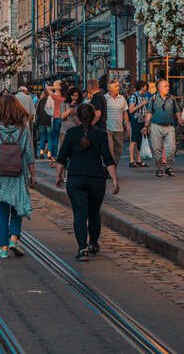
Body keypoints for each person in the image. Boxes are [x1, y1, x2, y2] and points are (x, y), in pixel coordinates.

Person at [55, 102, 119, 260]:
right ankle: (93, 243)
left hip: (76, 177)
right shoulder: (101, 134)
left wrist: (59, 176)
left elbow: (61, 158)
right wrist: (115, 180)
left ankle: (82, 248)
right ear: (93, 117)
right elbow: (108, 158)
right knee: (94, 213)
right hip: (96, 179)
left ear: (77, 117)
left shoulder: (71, 133)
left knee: (79, 214)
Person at [0, 93, 35, 258]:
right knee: (17, 209)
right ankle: (14, 239)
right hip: (17, 174)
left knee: (3, 213)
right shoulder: (23, 129)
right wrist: (33, 174)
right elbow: (29, 153)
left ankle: (3, 248)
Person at [143, 78, 179, 177]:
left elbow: (177, 111)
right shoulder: (153, 98)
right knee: (156, 148)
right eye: (165, 86)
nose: (168, 87)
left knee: (172, 148)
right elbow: (149, 113)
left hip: (169, 126)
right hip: (155, 126)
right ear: (159, 88)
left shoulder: (172, 98)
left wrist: (180, 118)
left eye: (168, 86)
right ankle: (159, 168)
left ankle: (168, 167)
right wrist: (146, 125)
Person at [103, 80, 128, 164]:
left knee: (119, 151)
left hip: (119, 129)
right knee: (110, 152)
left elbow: (125, 113)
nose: (118, 87)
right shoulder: (104, 98)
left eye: (118, 86)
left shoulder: (122, 98)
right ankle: (110, 170)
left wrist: (127, 125)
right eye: (116, 86)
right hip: (107, 129)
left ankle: (112, 168)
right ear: (109, 88)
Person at [34, 87, 53, 160]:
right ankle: (49, 154)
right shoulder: (51, 100)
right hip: (48, 121)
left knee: (42, 137)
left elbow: (37, 112)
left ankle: (41, 153)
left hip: (41, 121)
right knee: (49, 138)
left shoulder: (40, 101)